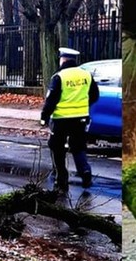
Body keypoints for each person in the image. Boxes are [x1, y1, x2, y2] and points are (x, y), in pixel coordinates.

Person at [40, 47, 99, 188]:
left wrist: (44, 117)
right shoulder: (86, 75)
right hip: (81, 118)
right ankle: (85, 171)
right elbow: (95, 95)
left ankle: (61, 178)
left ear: (63, 60)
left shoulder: (59, 76)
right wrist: (83, 105)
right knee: (78, 147)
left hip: (61, 119)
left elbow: (51, 100)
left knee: (57, 147)